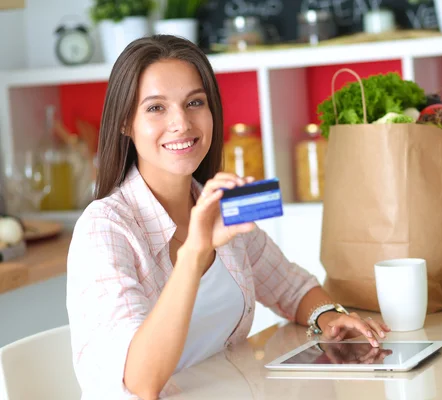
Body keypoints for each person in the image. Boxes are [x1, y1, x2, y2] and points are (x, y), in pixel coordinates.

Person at [66, 34, 390, 400]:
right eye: (156, 108)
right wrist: (195, 252)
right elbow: (141, 382)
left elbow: (291, 288)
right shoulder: (104, 228)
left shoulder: (217, 203)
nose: (182, 124)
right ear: (125, 122)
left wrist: (329, 318)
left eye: (194, 103)